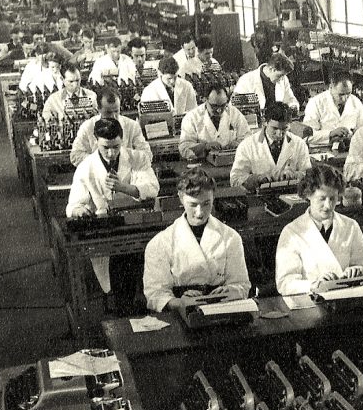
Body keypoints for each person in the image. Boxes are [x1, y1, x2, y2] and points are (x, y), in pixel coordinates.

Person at [67, 118, 160, 313]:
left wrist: (123, 187)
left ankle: (140, 304)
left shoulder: (138, 158)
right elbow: (74, 205)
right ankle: (125, 309)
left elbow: (152, 188)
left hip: (138, 223)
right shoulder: (86, 167)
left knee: (150, 260)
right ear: (96, 141)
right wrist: (79, 210)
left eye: (116, 147)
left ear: (122, 139)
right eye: (105, 148)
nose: (111, 153)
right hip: (108, 230)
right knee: (122, 264)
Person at [143, 168, 251, 312]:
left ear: (213, 198)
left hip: (220, 308)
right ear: (181, 198)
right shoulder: (160, 243)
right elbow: (155, 295)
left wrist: (232, 291)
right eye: (193, 205)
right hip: (179, 311)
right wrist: (179, 303)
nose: (200, 213)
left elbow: (241, 284)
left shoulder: (231, 237)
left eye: (206, 204)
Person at [275, 163, 363, 295]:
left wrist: (358, 271)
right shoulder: (291, 232)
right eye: (322, 198)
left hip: (347, 297)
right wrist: (314, 285)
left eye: (333, 199)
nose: (328, 205)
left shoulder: (351, 226)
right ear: (308, 195)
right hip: (310, 300)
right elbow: (285, 283)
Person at [229, 101, 311, 191]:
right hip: (259, 196)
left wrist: (296, 175)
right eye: (275, 128)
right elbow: (235, 180)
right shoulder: (247, 146)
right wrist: (257, 178)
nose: (279, 134)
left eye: (284, 129)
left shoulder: (299, 143)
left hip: (291, 193)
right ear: (265, 122)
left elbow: (309, 175)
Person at [70, 87, 152, 166]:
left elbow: (147, 154)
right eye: (108, 112)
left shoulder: (132, 126)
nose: (113, 117)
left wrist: (124, 161)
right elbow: (75, 156)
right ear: (98, 109)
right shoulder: (87, 127)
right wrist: (101, 162)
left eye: (116, 111)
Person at [179, 84, 250, 160]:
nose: (219, 110)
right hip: (203, 163)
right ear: (205, 100)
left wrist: (238, 143)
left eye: (223, 105)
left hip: (231, 161)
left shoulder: (234, 113)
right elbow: (184, 148)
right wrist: (205, 147)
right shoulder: (192, 117)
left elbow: (248, 137)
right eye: (214, 106)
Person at [303, 69, 363, 147]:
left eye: (348, 93)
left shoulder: (356, 102)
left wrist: (357, 134)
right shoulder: (316, 103)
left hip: (348, 149)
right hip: (322, 149)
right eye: (341, 94)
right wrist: (330, 134)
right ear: (331, 87)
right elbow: (307, 136)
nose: (345, 99)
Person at [233, 52, 299, 112]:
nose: (282, 79)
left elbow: (289, 98)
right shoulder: (246, 80)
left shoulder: (283, 78)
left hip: (278, 119)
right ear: (271, 69)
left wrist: (293, 106)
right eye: (280, 75)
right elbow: (235, 107)